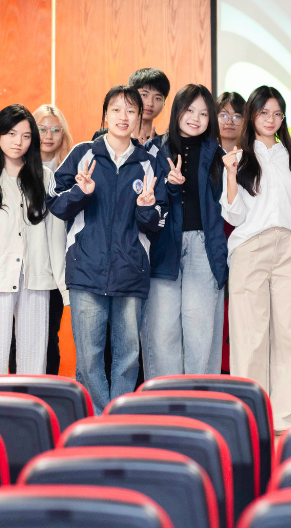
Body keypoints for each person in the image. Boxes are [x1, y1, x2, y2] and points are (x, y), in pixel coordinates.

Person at [48, 85, 166, 414]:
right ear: (105, 115)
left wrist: (146, 209)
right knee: (89, 359)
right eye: (116, 109)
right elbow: (55, 204)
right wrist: (81, 193)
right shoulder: (83, 154)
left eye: (130, 110)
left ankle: (120, 419)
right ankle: (100, 420)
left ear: (139, 116)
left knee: (127, 358)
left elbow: (157, 223)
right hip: (86, 270)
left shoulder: (148, 162)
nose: (123, 116)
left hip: (131, 271)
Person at [220, 85, 291, 429]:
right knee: (250, 337)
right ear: (252, 115)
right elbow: (233, 215)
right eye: (264, 113)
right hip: (250, 249)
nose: (271, 119)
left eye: (277, 114)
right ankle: (252, 418)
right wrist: (230, 173)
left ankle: (286, 419)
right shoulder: (238, 158)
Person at [142, 84, 228, 379]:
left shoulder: (218, 154)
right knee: (161, 331)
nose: (196, 118)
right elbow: (146, 206)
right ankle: (163, 399)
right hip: (163, 247)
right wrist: (170, 186)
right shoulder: (154, 151)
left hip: (204, 248)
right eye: (190, 110)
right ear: (177, 110)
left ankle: (200, 399)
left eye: (203, 113)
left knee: (199, 333)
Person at [0, 105, 67, 375]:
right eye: (11, 133)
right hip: (1, 276)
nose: (18, 142)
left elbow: (56, 237)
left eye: (26, 136)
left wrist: (64, 287)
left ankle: (28, 404)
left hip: (36, 279)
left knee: (33, 363)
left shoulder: (45, 178)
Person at [32, 103, 73, 375]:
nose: (48, 135)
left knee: (49, 339)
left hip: (58, 272)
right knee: (17, 341)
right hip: (25, 271)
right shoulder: (14, 169)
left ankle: (48, 396)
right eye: (42, 129)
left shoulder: (71, 171)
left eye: (56, 130)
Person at [129, 68, 170, 147]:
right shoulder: (108, 137)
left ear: (163, 104)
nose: (150, 103)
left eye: (157, 98)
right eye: (144, 95)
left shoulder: (164, 146)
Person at [34, 104, 74, 170]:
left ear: (63, 133)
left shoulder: (73, 164)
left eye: (55, 130)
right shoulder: (19, 162)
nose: (49, 136)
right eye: (42, 129)